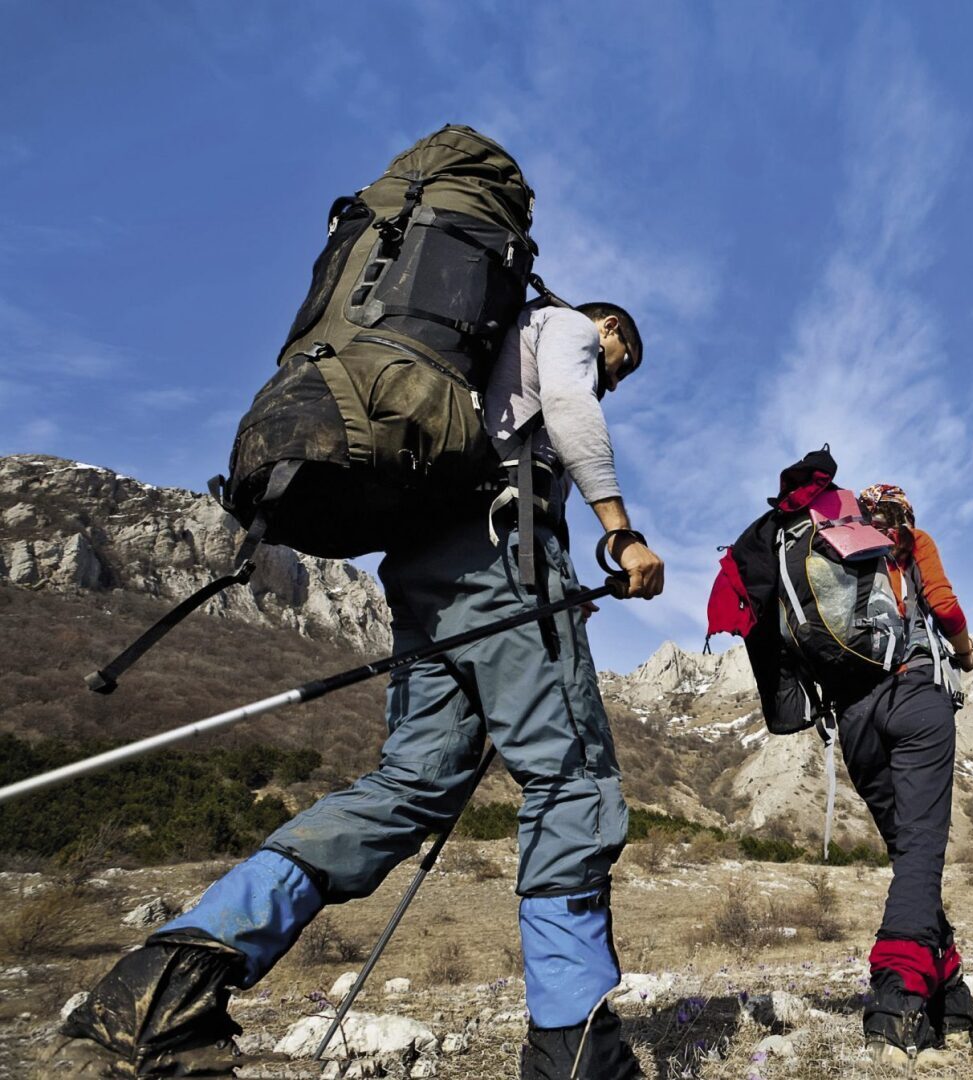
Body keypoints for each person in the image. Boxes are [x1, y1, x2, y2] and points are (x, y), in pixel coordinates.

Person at [53, 299, 665, 1079]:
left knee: (409, 781)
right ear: (611, 329)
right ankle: (575, 1052)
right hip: (498, 554)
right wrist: (620, 528)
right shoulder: (565, 326)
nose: (616, 377)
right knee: (571, 781)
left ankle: (163, 989)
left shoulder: (472, 350)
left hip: (419, 569)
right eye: (623, 363)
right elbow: (575, 409)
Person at [843, 483, 973, 1067]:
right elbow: (943, 605)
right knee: (921, 847)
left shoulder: (836, 550)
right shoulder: (911, 540)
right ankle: (896, 999)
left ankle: (949, 993)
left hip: (854, 716)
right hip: (914, 697)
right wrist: (966, 651)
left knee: (910, 856)